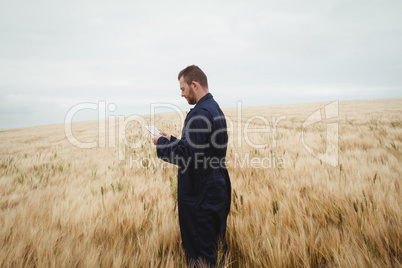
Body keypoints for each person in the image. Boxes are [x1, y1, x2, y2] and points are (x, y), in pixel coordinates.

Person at [151, 65, 231, 266]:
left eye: (182, 89)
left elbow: (188, 156)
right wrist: (173, 140)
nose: (181, 94)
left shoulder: (200, 114)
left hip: (200, 193)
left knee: (200, 252)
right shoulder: (214, 107)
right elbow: (200, 150)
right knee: (214, 246)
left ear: (194, 85)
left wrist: (160, 143)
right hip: (215, 186)